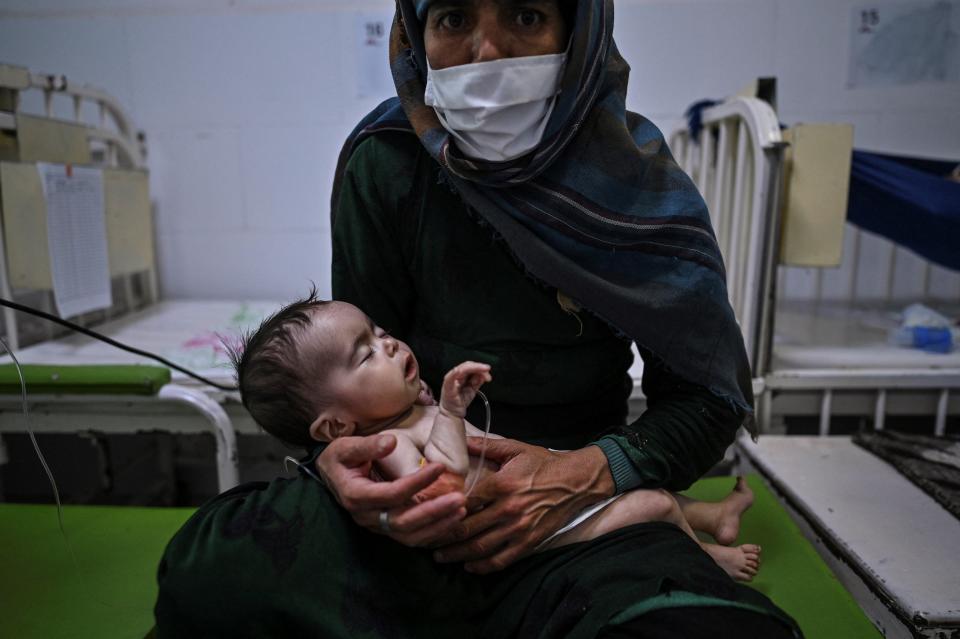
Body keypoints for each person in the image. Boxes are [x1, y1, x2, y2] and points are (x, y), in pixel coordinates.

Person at [155, 0, 802, 636]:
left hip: (573, 499)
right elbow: (344, 376)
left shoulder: (634, 186)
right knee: (207, 577)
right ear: (417, 31)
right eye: (454, 19)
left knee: (697, 624)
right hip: (412, 507)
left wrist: (584, 475)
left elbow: (706, 399)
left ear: (577, 31)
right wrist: (338, 464)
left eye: (524, 16)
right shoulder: (386, 162)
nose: (486, 52)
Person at [233, 295, 762, 580]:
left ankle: (715, 517)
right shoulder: (389, 446)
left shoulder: (401, 414)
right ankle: (710, 558)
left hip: (533, 488)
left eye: (378, 330)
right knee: (651, 503)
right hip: (524, 535)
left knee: (606, 478)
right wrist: (452, 411)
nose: (390, 343)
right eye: (366, 353)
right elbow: (443, 487)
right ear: (335, 429)